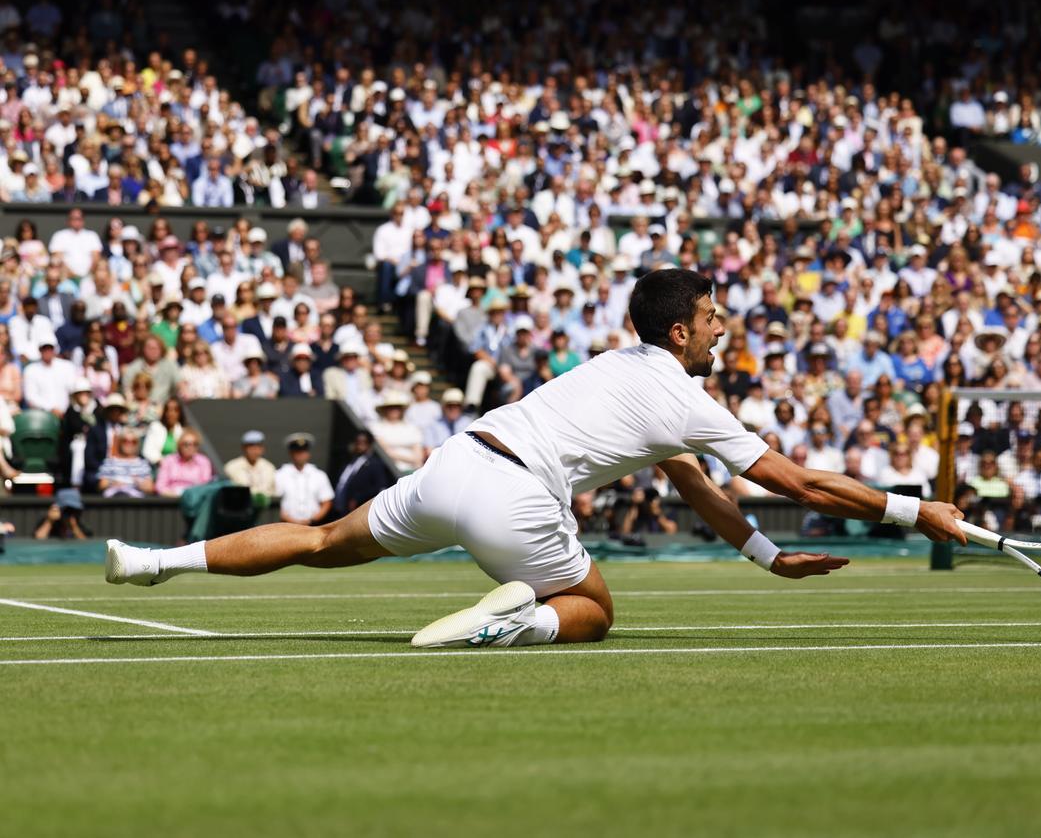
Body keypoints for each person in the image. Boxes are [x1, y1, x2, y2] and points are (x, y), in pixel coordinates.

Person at [105, 269, 965, 649]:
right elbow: (797, 479)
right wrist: (913, 510)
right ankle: (506, 623)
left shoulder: (616, 370)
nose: (721, 329)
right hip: (513, 499)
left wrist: (768, 557)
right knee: (593, 607)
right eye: (712, 319)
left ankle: (150, 562)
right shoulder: (683, 393)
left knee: (325, 538)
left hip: (452, 465)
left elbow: (689, 480)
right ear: (679, 330)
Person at [274, 432, 334, 525]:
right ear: (290, 453)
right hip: (286, 525)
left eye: (303, 451)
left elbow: (326, 502)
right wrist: (291, 520)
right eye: (297, 452)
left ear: (308, 453)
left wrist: (312, 520)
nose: (300, 455)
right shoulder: (280, 474)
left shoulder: (319, 475)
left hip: (313, 525)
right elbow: (275, 503)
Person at [332, 431, 392, 518]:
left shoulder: (374, 464)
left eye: (364, 442)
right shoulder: (348, 461)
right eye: (357, 442)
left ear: (370, 444)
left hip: (358, 510)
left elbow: (380, 487)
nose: (360, 445)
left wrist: (358, 498)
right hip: (339, 508)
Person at [96, 428, 156, 497]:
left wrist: (137, 483)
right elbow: (101, 485)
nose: (129, 444)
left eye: (133, 441)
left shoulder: (143, 464)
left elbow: (150, 488)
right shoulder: (109, 462)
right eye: (125, 441)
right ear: (119, 442)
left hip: (135, 502)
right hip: (114, 500)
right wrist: (113, 483)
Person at [154, 429, 214, 497]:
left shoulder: (204, 461)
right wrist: (175, 496)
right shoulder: (169, 460)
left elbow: (206, 486)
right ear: (179, 445)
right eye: (186, 444)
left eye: (195, 444)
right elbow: (160, 486)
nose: (190, 447)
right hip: (172, 499)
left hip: (195, 499)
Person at [224, 429, 277, 500]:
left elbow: (273, 491)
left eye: (258, 446)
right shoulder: (232, 467)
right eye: (251, 446)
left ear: (262, 449)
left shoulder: (269, 467)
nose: (254, 450)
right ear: (243, 448)